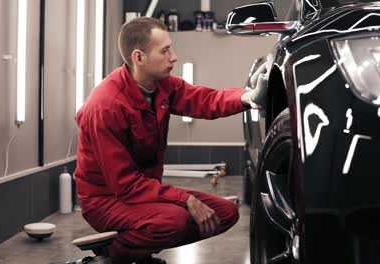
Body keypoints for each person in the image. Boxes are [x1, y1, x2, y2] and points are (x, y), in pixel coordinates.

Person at [74, 17, 264, 264]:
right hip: (107, 200)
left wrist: (249, 97)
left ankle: (138, 250)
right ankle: (110, 258)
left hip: (142, 191)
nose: (174, 57)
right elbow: (125, 185)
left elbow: (205, 100)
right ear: (139, 57)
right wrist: (185, 199)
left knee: (224, 213)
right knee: (174, 220)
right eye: (165, 51)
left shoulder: (161, 85)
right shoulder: (105, 107)